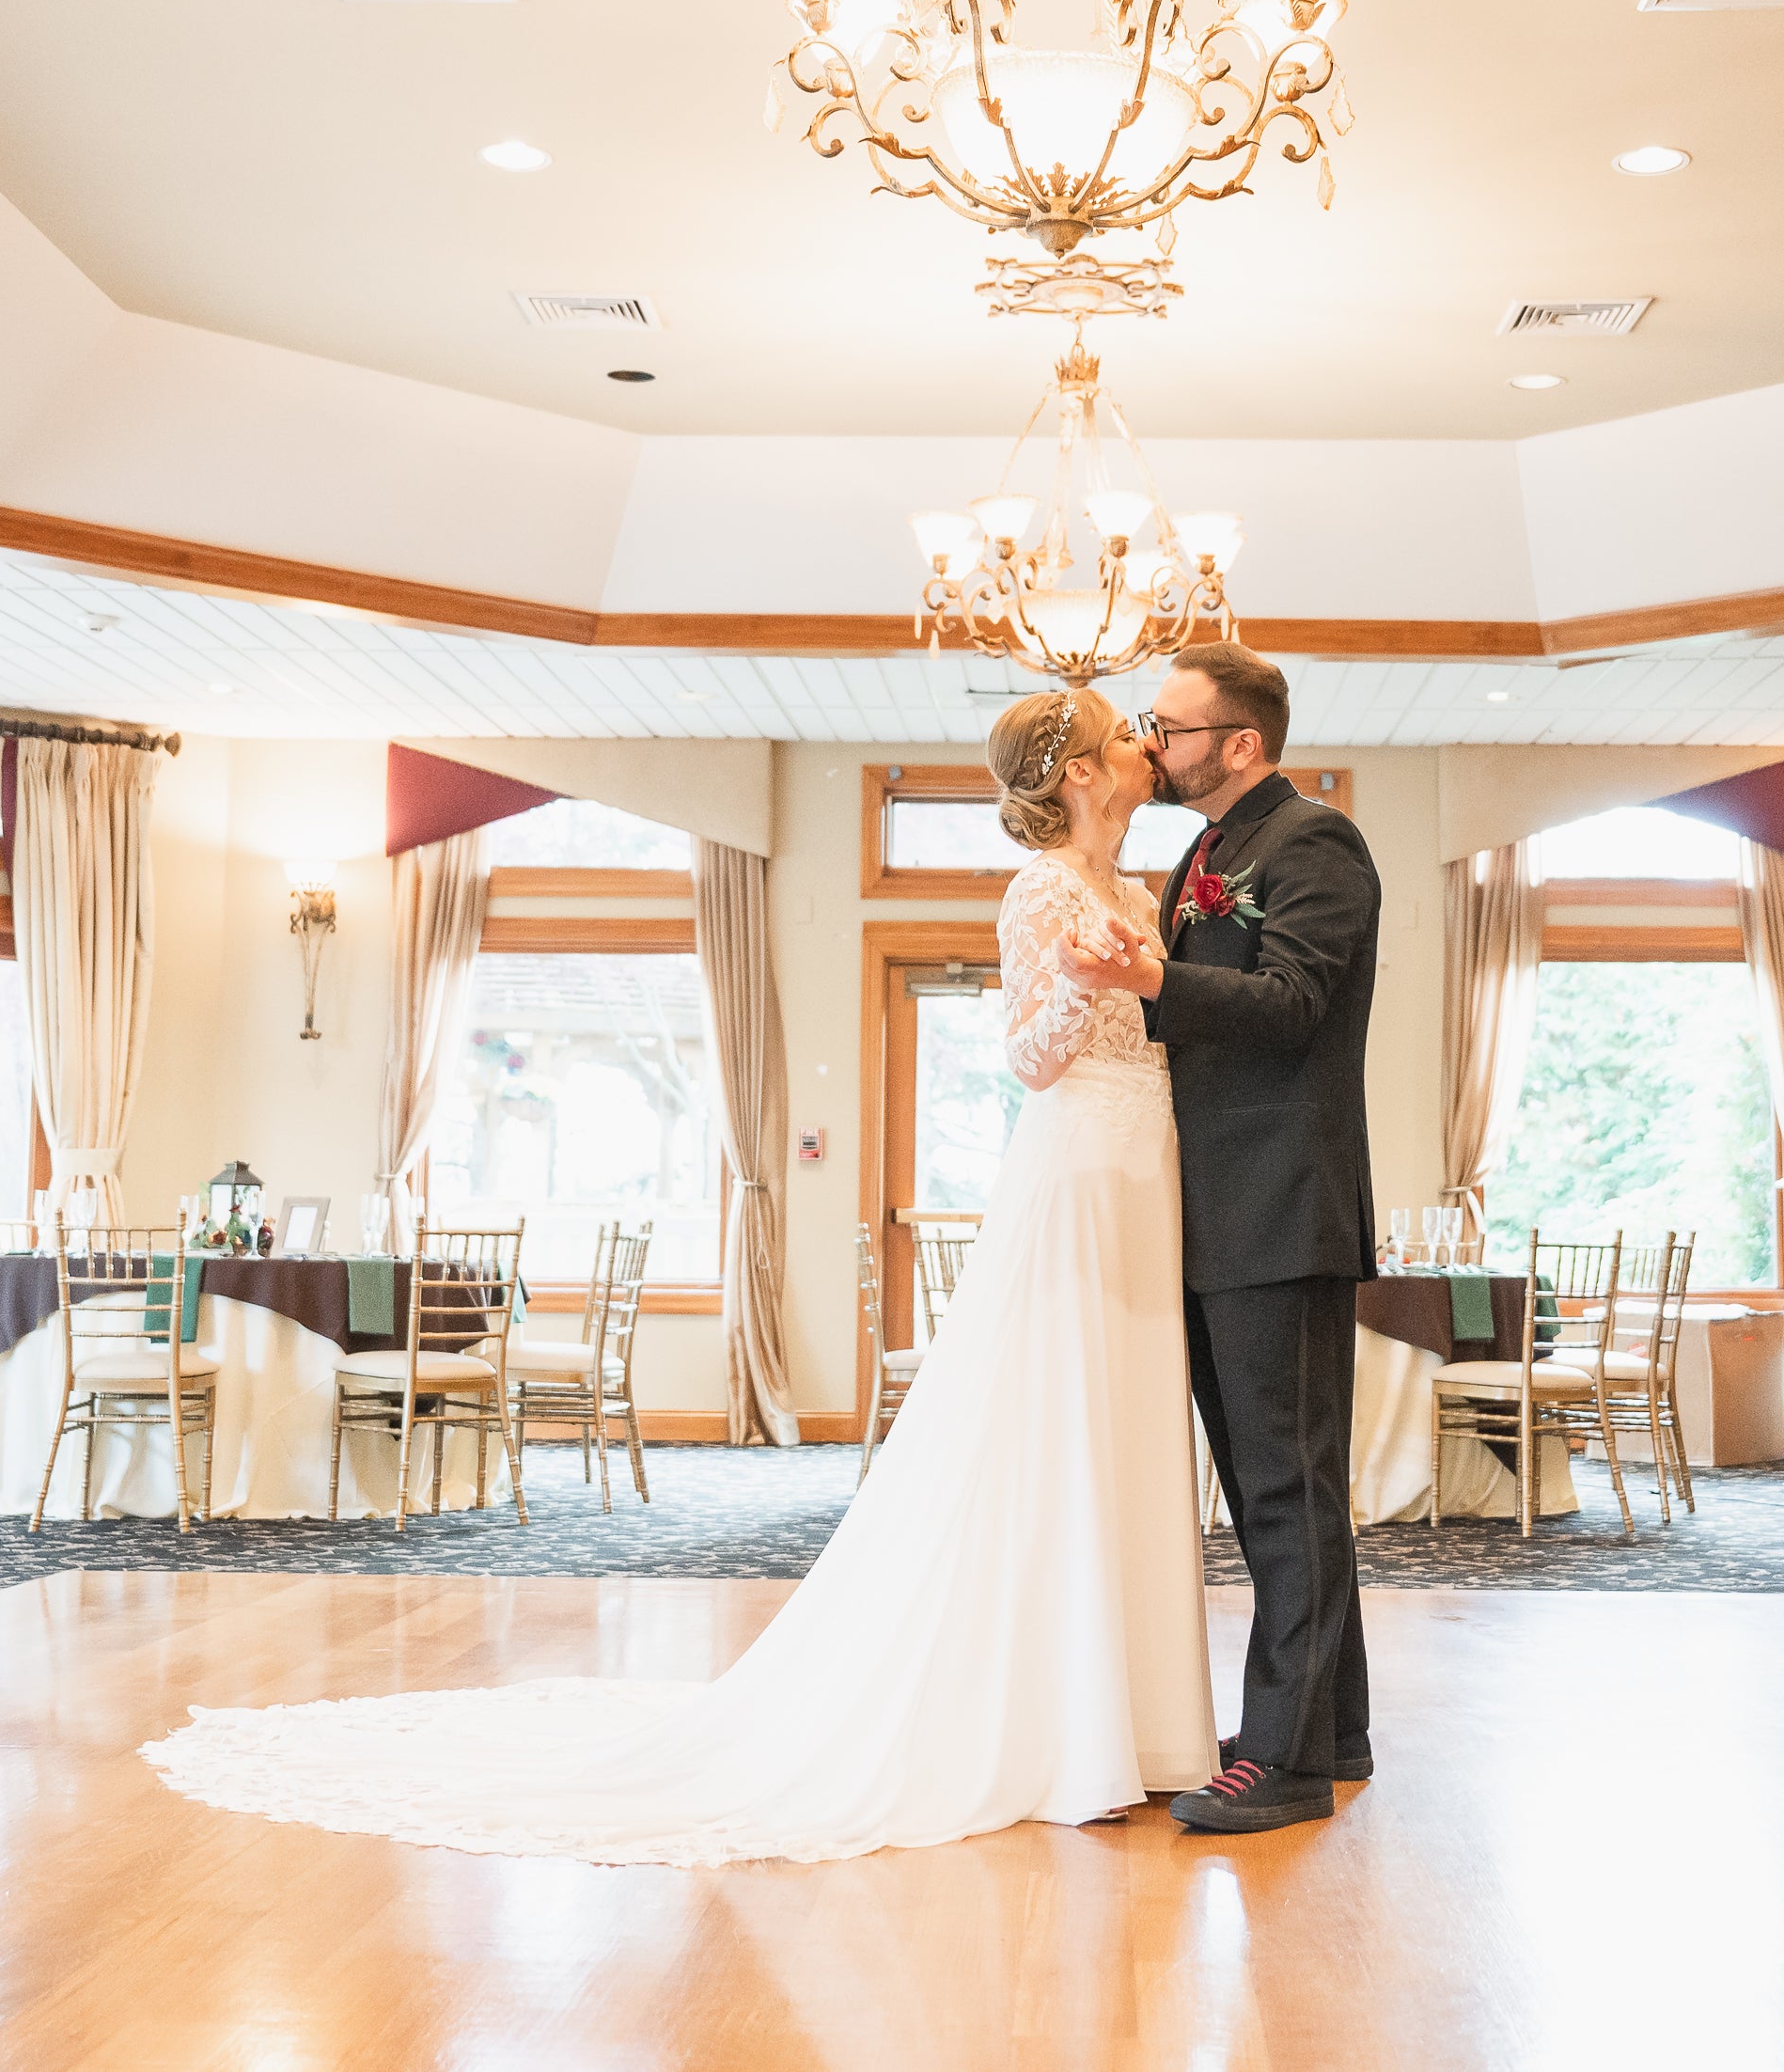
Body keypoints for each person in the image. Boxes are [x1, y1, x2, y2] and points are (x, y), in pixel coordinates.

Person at [138, 685, 1213, 1864]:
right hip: (1074, 1167)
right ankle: (1063, 1732)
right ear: (1076, 775)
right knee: (1059, 1426)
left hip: (1150, 1165)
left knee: (1128, 1421)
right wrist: (1078, 983)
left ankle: (1146, 1727)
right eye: (1126, 737)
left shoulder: (1138, 888)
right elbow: (1026, 1061)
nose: (1147, 748)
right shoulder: (1044, 891)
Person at [1060, 638, 1378, 1833]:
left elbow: (1294, 1004)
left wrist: (1147, 984)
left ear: (1239, 744)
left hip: (1282, 1211)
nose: (1152, 743)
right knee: (1272, 1492)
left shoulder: (1314, 843)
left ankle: (1287, 1765)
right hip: (1215, 1213)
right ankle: (1328, 1726)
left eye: (1172, 728)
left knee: (1287, 1491)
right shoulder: (1205, 849)